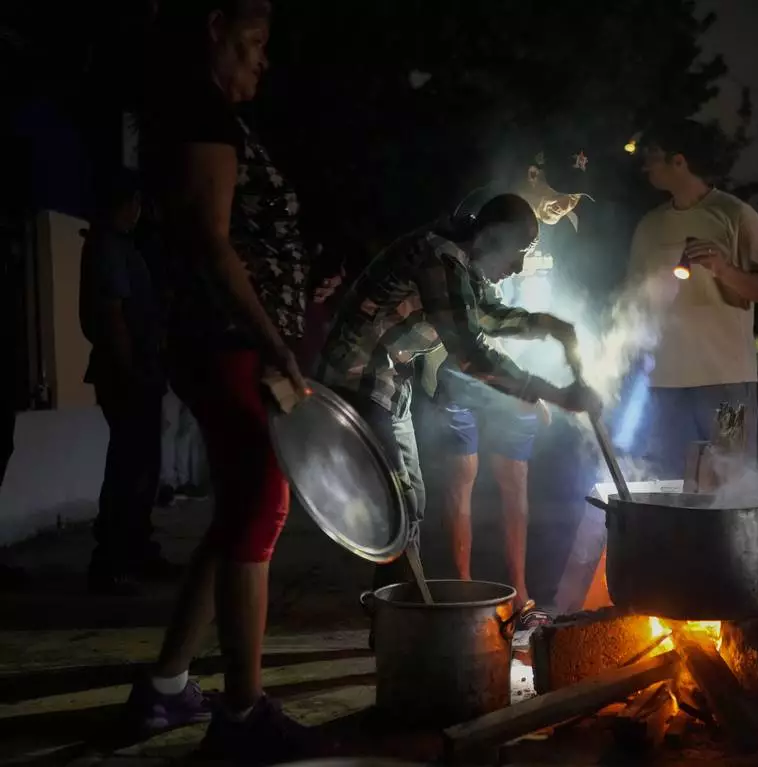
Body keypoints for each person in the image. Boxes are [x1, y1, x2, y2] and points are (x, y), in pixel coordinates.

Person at [129, 1, 327, 760]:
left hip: (221, 339)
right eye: (251, 45)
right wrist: (274, 340)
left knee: (239, 510)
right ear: (211, 29)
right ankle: (242, 715)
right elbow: (214, 243)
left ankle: (168, 685)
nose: (262, 61)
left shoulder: (200, 112)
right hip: (227, 341)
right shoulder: (201, 112)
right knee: (262, 503)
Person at [316, 193, 602, 602]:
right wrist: (554, 394)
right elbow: (471, 351)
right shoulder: (439, 258)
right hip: (359, 379)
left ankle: (394, 617)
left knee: (410, 503)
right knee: (398, 502)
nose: (519, 265)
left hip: (389, 384)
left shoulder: (461, 264)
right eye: (518, 251)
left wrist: (550, 326)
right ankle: (400, 618)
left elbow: (487, 315)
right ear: (490, 236)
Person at [424, 144, 593, 625]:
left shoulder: (564, 236)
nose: (568, 206)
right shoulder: (480, 216)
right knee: (461, 479)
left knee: (514, 480)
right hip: (463, 366)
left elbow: (521, 311)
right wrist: (542, 390)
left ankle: (518, 597)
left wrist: (549, 345)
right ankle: (462, 599)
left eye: (577, 198)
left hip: (513, 370)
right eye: (563, 194)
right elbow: (471, 326)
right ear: (535, 175)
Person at [628, 119, 758, 476]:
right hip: (667, 385)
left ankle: (733, 535)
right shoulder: (649, 226)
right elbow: (632, 302)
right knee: (673, 485)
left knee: (729, 482)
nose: (645, 165)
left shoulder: (735, 215)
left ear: (679, 161)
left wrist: (723, 269)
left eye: (653, 156)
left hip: (727, 383)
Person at [78, 168, 178, 594]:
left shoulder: (122, 246)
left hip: (139, 367)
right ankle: (114, 557)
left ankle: (134, 549)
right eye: (135, 201)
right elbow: (112, 313)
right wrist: (130, 367)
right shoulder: (107, 245)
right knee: (129, 465)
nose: (139, 210)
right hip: (128, 370)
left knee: (141, 464)